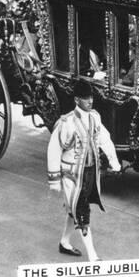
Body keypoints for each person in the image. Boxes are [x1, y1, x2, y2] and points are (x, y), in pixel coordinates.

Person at [47, 80, 121, 261]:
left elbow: (105, 139)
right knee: (81, 212)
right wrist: (54, 179)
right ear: (76, 100)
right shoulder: (66, 123)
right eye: (86, 98)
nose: (90, 101)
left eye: (91, 97)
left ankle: (64, 242)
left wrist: (113, 160)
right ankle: (93, 256)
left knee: (74, 210)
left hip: (89, 174)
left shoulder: (95, 118)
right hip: (71, 175)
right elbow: (54, 149)